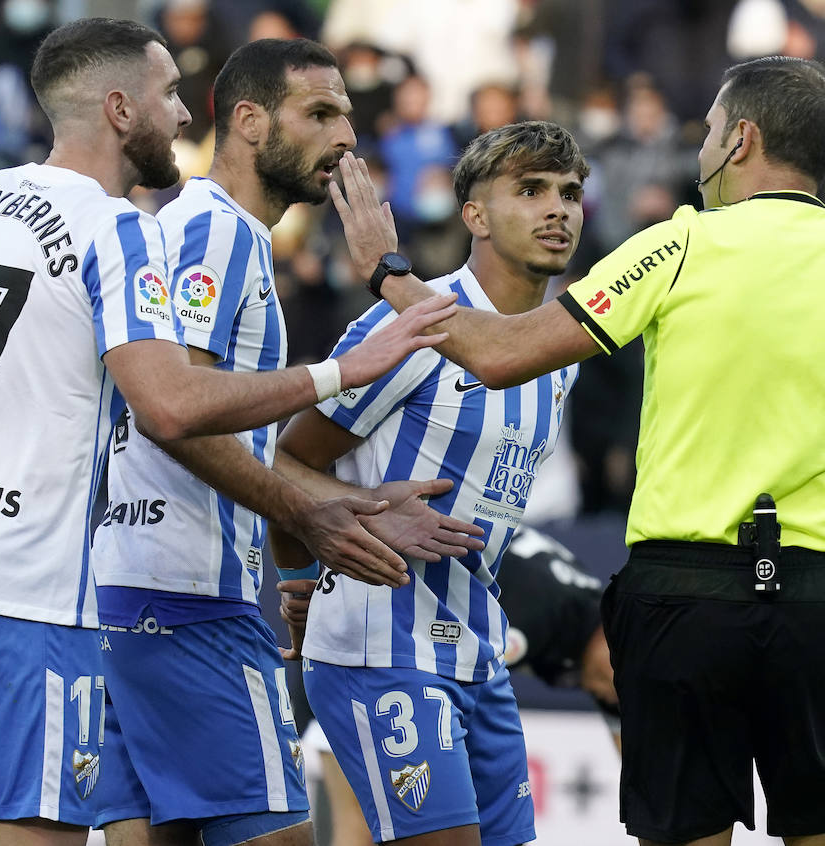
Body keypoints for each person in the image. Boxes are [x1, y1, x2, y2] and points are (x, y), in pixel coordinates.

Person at [0, 18, 459, 846]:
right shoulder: (134, 229)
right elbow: (171, 410)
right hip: (60, 597)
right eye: (168, 96)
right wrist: (343, 377)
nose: (184, 116)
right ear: (122, 110)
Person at [333, 56, 825, 846]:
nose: (700, 153)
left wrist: (388, 273)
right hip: (816, 598)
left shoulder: (678, 245)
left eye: (711, 133)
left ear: (741, 139)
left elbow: (501, 352)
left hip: (684, 593)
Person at [90, 38, 484, 846]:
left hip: (132, 596)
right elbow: (181, 416)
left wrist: (356, 505)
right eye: (320, 113)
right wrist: (334, 399)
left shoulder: (209, 232)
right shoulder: (219, 233)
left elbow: (228, 432)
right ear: (249, 121)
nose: (346, 136)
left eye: (346, 113)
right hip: (188, 602)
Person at [270, 119, 590, 846]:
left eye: (570, 193)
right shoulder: (406, 326)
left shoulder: (557, 354)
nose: (557, 209)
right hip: (383, 653)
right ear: (473, 213)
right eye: (531, 189)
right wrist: (305, 568)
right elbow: (283, 463)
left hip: (481, 654)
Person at [282, 524, 621, 846]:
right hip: (364, 645)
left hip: (404, 639)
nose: (612, 694)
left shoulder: (598, 634)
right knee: (358, 824)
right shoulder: (542, 617)